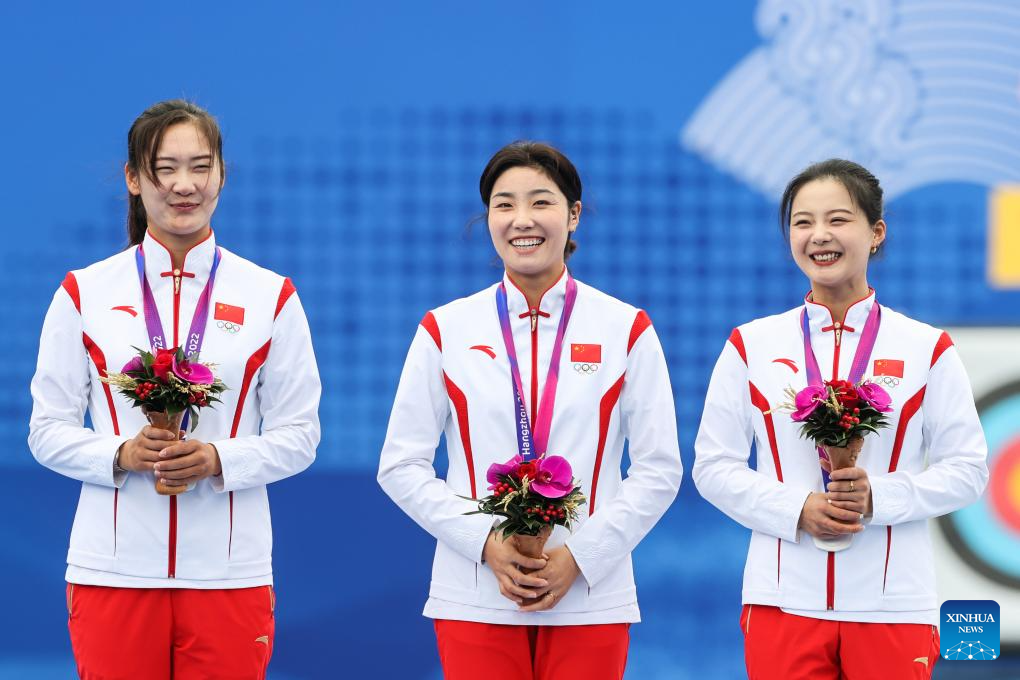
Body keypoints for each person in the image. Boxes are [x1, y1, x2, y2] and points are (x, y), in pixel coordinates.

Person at [28, 99, 321, 679]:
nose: (184, 185)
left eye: (200, 166)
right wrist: (120, 453)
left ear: (221, 175)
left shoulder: (271, 296)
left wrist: (218, 459)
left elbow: (300, 436)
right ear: (134, 179)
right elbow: (46, 431)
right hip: (112, 573)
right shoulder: (84, 292)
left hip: (229, 574)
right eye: (165, 168)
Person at [378, 141, 682, 680]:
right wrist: (485, 543)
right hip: (476, 594)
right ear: (489, 218)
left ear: (573, 214)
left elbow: (659, 469)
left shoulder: (625, 328)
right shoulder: (445, 329)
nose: (522, 220)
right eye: (504, 204)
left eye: (541, 202)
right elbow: (401, 465)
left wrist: (581, 557)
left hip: (590, 597)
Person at [693, 159, 988, 679]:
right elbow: (712, 467)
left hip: (894, 605)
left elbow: (968, 470)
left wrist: (879, 498)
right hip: (783, 601)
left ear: (876, 233)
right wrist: (796, 509)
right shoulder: (751, 345)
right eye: (802, 222)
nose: (819, 235)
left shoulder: (926, 348)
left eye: (838, 219)